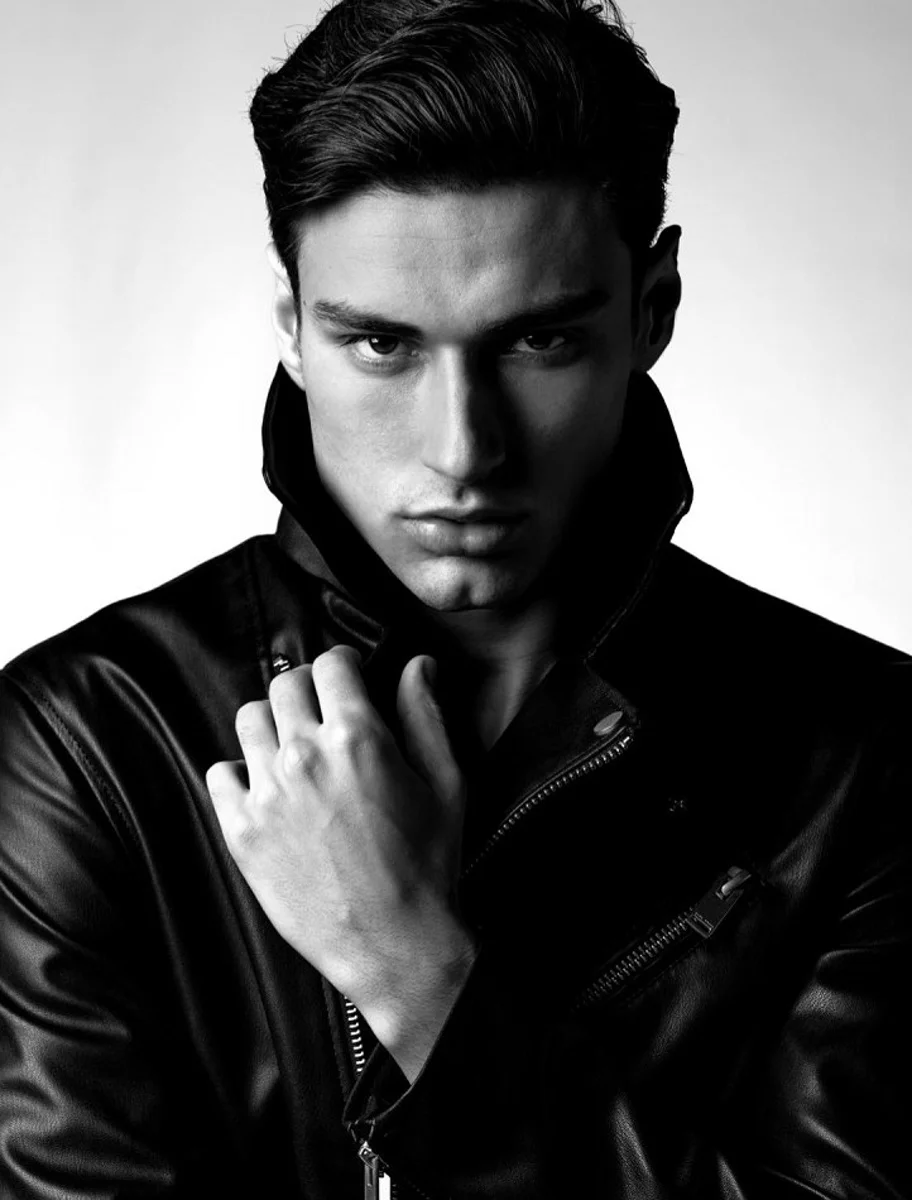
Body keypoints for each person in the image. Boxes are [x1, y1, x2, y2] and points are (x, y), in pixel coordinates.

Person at [1, 0, 910, 1196]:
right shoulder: (91, 747)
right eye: (382, 346)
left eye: (539, 343)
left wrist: (421, 977)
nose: (463, 451)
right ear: (290, 325)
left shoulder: (867, 762)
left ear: (653, 309)